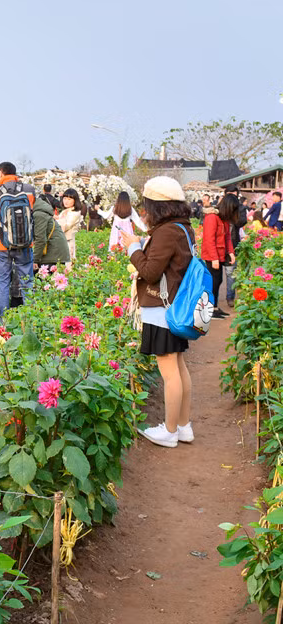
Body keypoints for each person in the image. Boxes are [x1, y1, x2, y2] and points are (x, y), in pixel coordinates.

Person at [119, 176, 194, 448]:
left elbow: (150, 272)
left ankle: (170, 431)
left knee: (169, 371)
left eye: (147, 205)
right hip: (176, 306)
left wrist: (133, 248)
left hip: (163, 309)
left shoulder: (166, 232)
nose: (144, 211)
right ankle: (183, 426)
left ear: (158, 206)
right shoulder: (182, 228)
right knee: (179, 366)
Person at [0, 162, 37, 316]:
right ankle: (31, 320)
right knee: (27, 283)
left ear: (0, 173)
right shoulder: (29, 190)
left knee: (3, 283)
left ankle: (2, 323)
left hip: (1, 245)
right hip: (25, 244)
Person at [200, 193, 236, 318]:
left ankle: (214, 307)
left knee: (218, 280)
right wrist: (214, 258)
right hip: (212, 255)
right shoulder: (212, 217)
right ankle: (210, 309)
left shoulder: (223, 218)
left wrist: (231, 252)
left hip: (219, 254)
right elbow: (209, 240)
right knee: (214, 281)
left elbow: (227, 237)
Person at [222, 190, 246, 306]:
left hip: (233, 242)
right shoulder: (218, 210)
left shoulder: (240, 208)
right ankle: (212, 302)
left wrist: (236, 209)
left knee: (230, 272)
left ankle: (230, 297)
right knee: (216, 277)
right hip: (219, 246)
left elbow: (242, 222)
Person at [33, 194, 70, 269]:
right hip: (55, 252)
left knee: (45, 279)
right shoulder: (41, 211)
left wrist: (35, 259)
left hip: (53, 254)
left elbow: (40, 239)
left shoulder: (39, 214)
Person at [56, 189, 84, 259]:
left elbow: (66, 226)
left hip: (68, 242)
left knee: (68, 265)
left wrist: (54, 221)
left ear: (75, 200)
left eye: (69, 199)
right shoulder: (64, 211)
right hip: (61, 242)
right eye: (65, 198)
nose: (66, 201)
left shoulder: (75, 213)